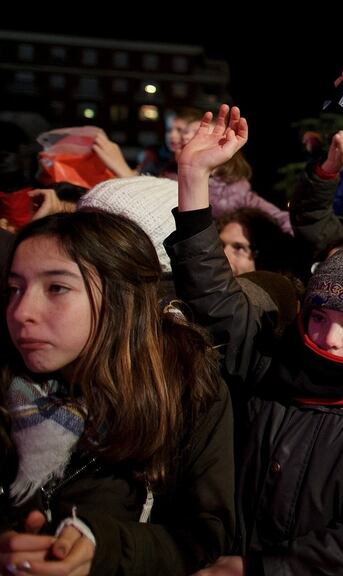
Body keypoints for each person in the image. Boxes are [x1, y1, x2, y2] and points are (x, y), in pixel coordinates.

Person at [166, 105, 343, 575]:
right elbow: (210, 290)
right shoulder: (271, 355)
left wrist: (261, 568)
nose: (329, 338)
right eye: (320, 317)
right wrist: (192, 177)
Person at [1, 211, 234, 575]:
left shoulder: (187, 389)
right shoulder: (7, 389)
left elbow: (206, 535)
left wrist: (101, 546)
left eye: (56, 288)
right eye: (14, 289)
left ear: (118, 296)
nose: (22, 312)